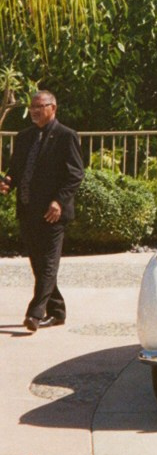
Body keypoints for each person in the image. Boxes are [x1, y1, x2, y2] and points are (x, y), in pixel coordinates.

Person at [1, 91, 84, 332]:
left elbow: (76, 173)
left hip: (53, 213)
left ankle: (35, 313)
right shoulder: (24, 136)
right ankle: (57, 311)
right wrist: (8, 181)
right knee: (39, 264)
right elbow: (15, 168)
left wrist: (59, 201)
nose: (35, 111)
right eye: (32, 106)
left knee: (48, 263)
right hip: (28, 209)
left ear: (53, 108)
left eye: (40, 106)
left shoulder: (66, 136)